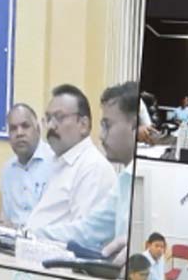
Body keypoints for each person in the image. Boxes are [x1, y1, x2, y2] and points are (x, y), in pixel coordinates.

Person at [33, 81, 138, 260]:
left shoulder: (94, 167)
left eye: (107, 125)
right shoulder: (124, 180)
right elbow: (88, 230)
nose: (101, 135)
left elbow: (86, 244)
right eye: (48, 118)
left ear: (134, 126)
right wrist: (28, 234)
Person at [26, 84, 116, 233]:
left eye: (59, 117)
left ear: (83, 125)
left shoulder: (92, 167)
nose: (51, 126)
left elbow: (83, 237)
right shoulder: (59, 162)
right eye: (48, 118)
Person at [0, 103, 54, 226]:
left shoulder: (55, 164)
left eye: (25, 126)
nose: (19, 133)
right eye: (13, 128)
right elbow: (7, 220)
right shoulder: (7, 171)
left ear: (38, 130)